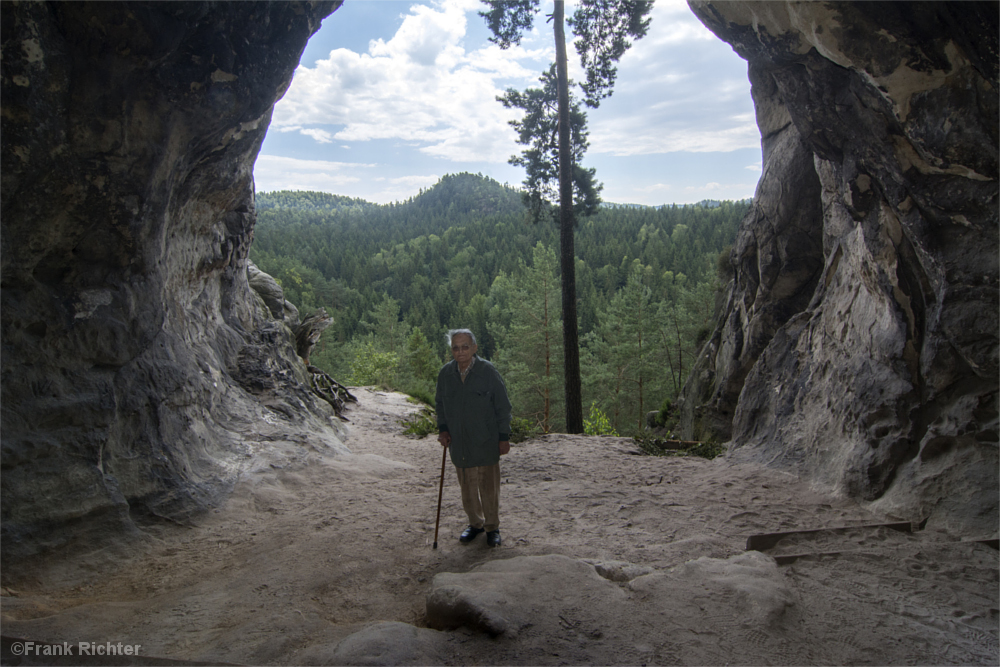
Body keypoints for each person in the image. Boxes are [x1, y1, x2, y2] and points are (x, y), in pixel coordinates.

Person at [435, 328, 512, 547]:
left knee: (489, 488)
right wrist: (443, 429)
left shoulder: (488, 372)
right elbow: (440, 404)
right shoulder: (445, 374)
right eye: (456, 348)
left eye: (465, 346)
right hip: (459, 443)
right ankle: (475, 524)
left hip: (486, 441)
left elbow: (503, 406)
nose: (460, 352)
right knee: (467, 489)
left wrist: (504, 437)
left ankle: (492, 527)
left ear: (474, 348)